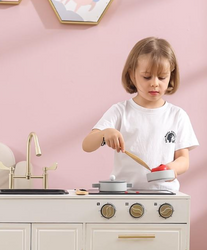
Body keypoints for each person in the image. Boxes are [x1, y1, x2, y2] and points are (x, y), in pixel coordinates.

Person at [82, 37, 199, 191]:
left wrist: (170, 168)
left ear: (171, 75)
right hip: (125, 194)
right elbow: (87, 145)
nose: (155, 83)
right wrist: (105, 133)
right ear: (132, 75)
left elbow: (183, 159)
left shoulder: (177, 115)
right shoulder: (120, 111)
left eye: (162, 77)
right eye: (146, 77)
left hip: (164, 194)